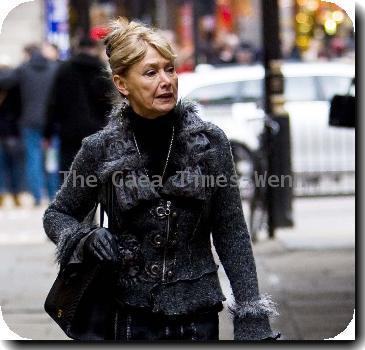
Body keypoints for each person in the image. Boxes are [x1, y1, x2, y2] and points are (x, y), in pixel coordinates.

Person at [43, 18, 279, 341]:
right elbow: (57, 214)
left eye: (169, 69)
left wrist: (251, 311)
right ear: (122, 83)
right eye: (151, 72)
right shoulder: (100, 149)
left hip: (198, 316)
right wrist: (84, 238)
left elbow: (231, 231)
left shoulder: (209, 143)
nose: (166, 81)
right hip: (129, 317)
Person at [44, 37, 114, 175]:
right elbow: (109, 104)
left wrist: (48, 133)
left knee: (69, 174)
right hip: (97, 131)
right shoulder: (101, 71)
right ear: (94, 49)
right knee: (95, 174)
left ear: (77, 48)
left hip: (69, 132)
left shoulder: (64, 70)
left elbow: (53, 103)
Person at [0, 44, 58, 206]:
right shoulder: (54, 68)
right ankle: (55, 194)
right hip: (51, 122)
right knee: (52, 158)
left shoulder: (23, 69)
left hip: (29, 121)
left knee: (33, 158)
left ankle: (37, 195)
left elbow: (5, 80)